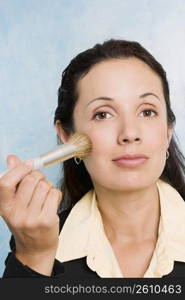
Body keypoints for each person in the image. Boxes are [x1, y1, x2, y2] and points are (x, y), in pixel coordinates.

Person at [1, 39, 185, 278]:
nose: (129, 133)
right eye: (103, 114)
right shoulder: (37, 247)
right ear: (67, 135)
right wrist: (34, 257)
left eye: (147, 111)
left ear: (168, 130)